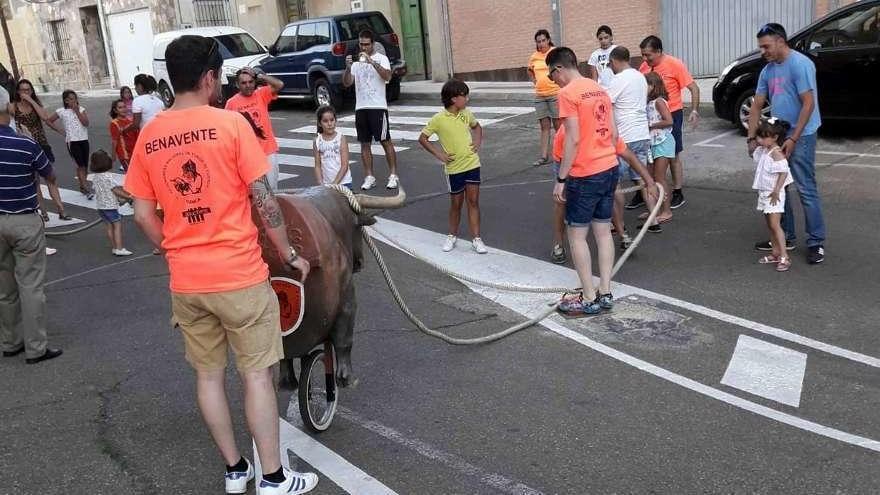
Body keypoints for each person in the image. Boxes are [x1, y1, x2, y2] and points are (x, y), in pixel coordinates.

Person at [124, 35, 317, 495]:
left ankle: (235, 471)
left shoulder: (149, 134)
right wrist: (290, 255)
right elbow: (264, 199)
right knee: (256, 375)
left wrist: (173, 248)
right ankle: (272, 476)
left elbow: (141, 213)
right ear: (210, 77)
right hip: (240, 276)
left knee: (208, 376)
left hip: (188, 283)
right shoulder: (230, 125)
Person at [547, 47, 657, 316]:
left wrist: (561, 178)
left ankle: (588, 297)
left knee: (577, 236)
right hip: (609, 167)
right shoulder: (599, 89)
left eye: (552, 75)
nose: (554, 81)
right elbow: (613, 132)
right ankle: (605, 291)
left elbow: (571, 138)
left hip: (585, 173)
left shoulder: (567, 93)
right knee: (602, 231)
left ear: (559, 69)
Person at [748, 23, 825, 265]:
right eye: (761, 47)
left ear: (781, 41)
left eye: (766, 46)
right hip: (779, 136)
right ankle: (787, 237)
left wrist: (793, 138)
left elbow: (808, 104)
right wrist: (752, 138)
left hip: (801, 134)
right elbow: (757, 105)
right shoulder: (768, 70)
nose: (763, 51)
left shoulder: (800, 65)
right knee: (778, 187)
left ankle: (816, 242)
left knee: (805, 187)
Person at [0, 89, 63, 364]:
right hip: (24, 219)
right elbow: (50, 173)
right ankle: (36, 346)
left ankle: (11, 342)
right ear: (8, 108)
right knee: (31, 285)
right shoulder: (25, 144)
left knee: (4, 287)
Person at [418, 80, 487, 254]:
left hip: (472, 164)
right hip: (454, 169)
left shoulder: (466, 113)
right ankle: (452, 235)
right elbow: (423, 138)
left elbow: (477, 127)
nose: (467, 99)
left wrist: (477, 141)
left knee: (473, 201)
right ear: (454, 98)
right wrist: (439, 155)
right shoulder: (438, 119)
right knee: (456, 204)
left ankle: (477, 239)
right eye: (464, 95)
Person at [639, 35, 699, 210]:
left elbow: (693, 87)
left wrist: (694, 110)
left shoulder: (674, 64)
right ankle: (646, 193)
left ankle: (677, 191)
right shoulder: (644, 67)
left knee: (673, 154)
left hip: (671, 113)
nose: (645, 59)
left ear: (658, 51)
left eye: (648, 55)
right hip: (650, 115)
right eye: (642, 55)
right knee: (650, 155)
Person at [607, 46, 655, 248]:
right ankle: (653, 221)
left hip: (624, 138)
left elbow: (607, 103)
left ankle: (620, 228)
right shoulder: (640, 76)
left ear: (615, 61)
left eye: (610, 63)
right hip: (642, 135)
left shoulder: (618, 80)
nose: (610, 67)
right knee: (642, 178)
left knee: (615, 185)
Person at [343, 29, 399, 191]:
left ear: (373, 44)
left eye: (366, 44)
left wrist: (372, 62)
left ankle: (393, 175)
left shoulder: (382, 58)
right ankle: (369, 176)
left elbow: (387, 77)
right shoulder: (356, 62)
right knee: (364, 143)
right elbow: (347, 83)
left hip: (378, 106)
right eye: (361, 44)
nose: (363, 47)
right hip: (361, 107)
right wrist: (348, 68)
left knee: (385, 140)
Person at [9, 79, 70, 222]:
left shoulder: (35, 104)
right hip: (25, 147)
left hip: (42, 144)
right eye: (23, 90)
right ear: (18, 92)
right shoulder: (13, 107)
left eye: (28, 90)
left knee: (51, 177)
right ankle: (43, 212)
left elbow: (45, 117)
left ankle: (61, 210)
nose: (26, 92)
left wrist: (31, 100)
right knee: (35, 181)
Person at [225, 67, 285, 190]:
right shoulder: (231, 103)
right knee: (256, 193)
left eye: (251, 82)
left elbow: (279, 84)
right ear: (237, 84)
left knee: (272, 190)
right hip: (248, 156)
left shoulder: (261, 94)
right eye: (243, 83)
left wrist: (260, 76)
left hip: (268, 152)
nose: (248, 85)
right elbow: (227, 130)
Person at [752, 117, 794, 272]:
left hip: (773, 195)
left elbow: (784, 172)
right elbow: (755, 157)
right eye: (759, 136)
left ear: (775, 138)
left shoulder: (776, 153)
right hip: (765, 193)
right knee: (770, 224)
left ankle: (784, 255)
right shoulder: (765, 150)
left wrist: (777, 190)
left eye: (763, 137)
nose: (760, 140)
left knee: (776, 225)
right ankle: (775, 251)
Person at [644, 71, 675, 227]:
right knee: (651, 177)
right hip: (654, 142)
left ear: (653, 86)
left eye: (646, 85)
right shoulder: (649, 102)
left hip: (663, 141)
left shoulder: (659, 102)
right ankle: (654, 210)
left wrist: (651, 125)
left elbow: (669, 121)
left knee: (660, 178)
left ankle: (666, 210)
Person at [50, 90, 93, 199]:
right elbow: (49, 120)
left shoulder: (81, 109)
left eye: (75, 98)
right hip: (72, 141)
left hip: (84, 139)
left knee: (85, 165)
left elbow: (86, 123)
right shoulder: (61, 111)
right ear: (66, 100)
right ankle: (86, 188)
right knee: (80, 165)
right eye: (70, 99)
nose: (73, 101)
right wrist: (60, 130)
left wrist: (77, 111)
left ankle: (82, 186)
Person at [89, 150, 133, 256]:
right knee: (117, 226)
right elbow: (115, 190)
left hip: (101, 206)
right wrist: (129, 197)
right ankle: (119, 248)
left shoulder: (95, 177)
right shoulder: (108, 177)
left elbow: (99, 190)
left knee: (109, 227)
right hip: (110, 206)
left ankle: (114, 247)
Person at [527, 29, 560, 166]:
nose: (540, 44)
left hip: (555, 94)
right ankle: (544, 156)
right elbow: (529, 70)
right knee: (544, 127)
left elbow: (561, 68)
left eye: (543, 40)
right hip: (540, 96)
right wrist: (535, 81)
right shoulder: (534, 56)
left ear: (548, 40)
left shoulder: (554, 53)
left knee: (559, 126)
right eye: (538, 41)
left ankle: (561, 154)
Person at [313, 106, 352, 188]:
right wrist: (321, 184)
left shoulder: (341, 138)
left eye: (332, 120)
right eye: (325, 121)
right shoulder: (317, 141)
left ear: (335, 120)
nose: (329, 124)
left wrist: (334, 184)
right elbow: (317, 165)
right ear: (320, 123)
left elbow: (344, 165)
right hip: (326, 184)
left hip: (343, 183)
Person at [109, 99, 139, 172]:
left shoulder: (131, 121)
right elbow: (114, 140)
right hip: (125, 154)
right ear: (115, 110)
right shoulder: (114, 123)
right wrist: (113, 155)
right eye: (120, 107)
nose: (123, 109)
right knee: (131, 174)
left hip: (134, 152)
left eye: (124, 107)